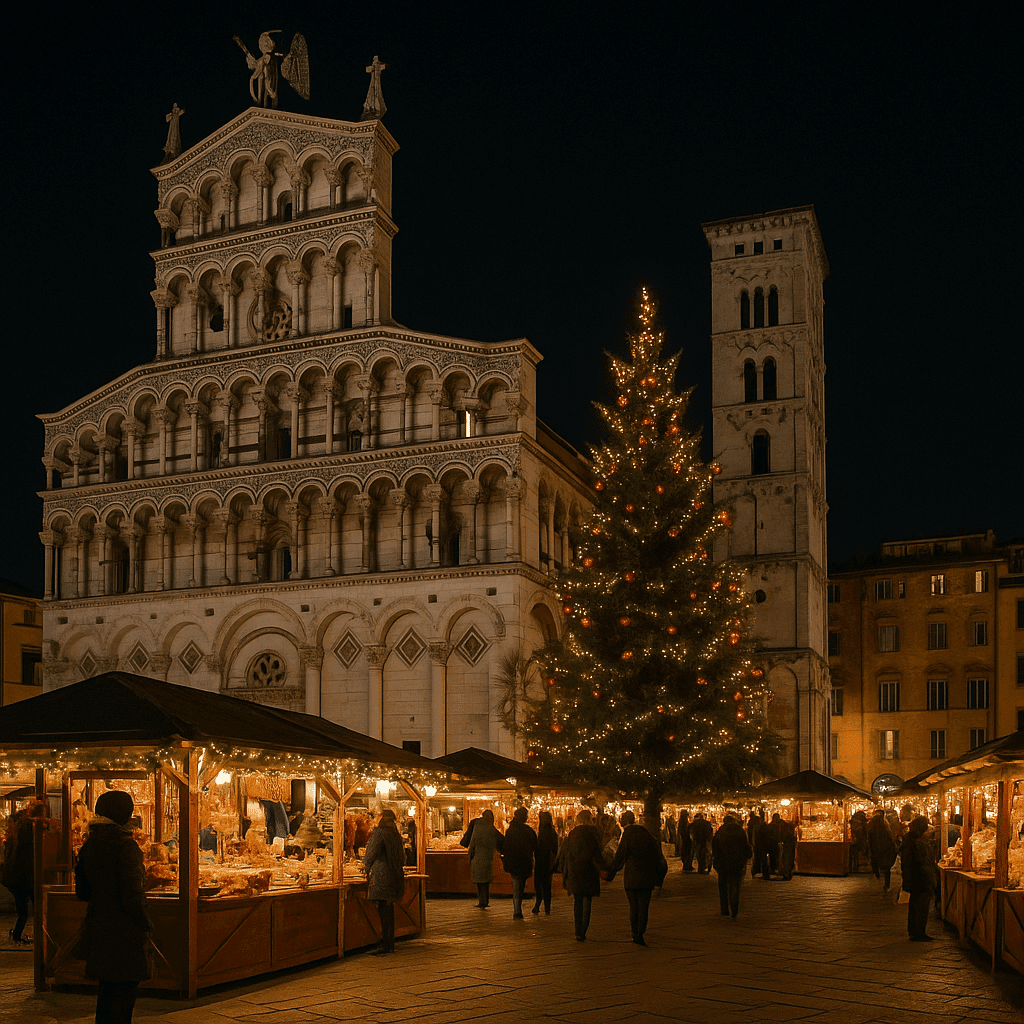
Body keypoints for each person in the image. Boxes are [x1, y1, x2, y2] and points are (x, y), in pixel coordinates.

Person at [74, 791, 153, 1024]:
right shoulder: (126, 847)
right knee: (125, 994)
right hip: (124, 932)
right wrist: (145, 922)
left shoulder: (90, 844)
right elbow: (132, 896)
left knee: (106, 992)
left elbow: (83, 892)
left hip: (99, 926)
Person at [606, 810, 668, 945]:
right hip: (647, 876)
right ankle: (641, 931)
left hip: (632, 877)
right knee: (644, 907)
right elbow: (657, 856)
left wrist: (610, 874)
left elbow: (620, 856)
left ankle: (635, 933)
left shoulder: (628, 835)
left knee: (634, 907)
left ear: (625, 821)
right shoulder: (647, 834)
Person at [555, 809, 607, 941]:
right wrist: (606, 868)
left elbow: (567, 852)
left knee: (577, 902)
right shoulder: (593, 833)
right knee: (587, 901)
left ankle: (577, 930)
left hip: (575, 870)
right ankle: (583, 930)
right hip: (589, 870)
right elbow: (597, 854)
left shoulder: (573, 834)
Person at [363, 808, 407, 955]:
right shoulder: (395, 835)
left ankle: (385, 943)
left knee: (383, 909)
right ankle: (389, 942)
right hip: (395, 874)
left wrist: (366, 866)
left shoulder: (379, 833)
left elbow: (370, 854)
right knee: (389, 909)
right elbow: (402, 857)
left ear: (381, 818)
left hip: (382, 875)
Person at [2, 803, 44, 945]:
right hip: (25, 877)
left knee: (25, 911)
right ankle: (34, 936)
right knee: (36, 909)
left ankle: (18, 935)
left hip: (18, 878)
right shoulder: (29, 830)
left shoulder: (15, 836)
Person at [901, 815, 939, 941]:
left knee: (915, 905)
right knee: (921, 907)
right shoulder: (916, 843)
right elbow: (922, 862)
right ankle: (918, 931)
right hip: (920, 879)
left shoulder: (911, 840)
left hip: (916, 879)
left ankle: (914, 930)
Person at [712, 813, 753, 918]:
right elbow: (746, 846)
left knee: (723, 886)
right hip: (737, 862)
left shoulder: (720, 831)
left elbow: (715, 847)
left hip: (723, 863)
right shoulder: (740, 831)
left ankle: (724, 909)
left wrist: (716, 861)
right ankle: (734, 906)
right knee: (735, 884)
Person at [501, 807, 537, 919]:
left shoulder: (510, 831)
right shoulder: (528, 831)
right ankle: (517, 909)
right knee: (520, 886)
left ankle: (517, 909)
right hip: (524, 862)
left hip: (513, 862)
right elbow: (535, 846)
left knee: (516, 885)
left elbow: (505, 847)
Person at [467, 809, 503, 909]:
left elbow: (473, 842)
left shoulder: (478, 826)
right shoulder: (491, 828)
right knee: (485, 881)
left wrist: (470, 855)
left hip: (478, 857)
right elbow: (498, 840)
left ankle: (482, 901)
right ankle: (485, 900)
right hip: (488, 857)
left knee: (479, 881)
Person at [532, 810, 559, 915]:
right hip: (547, 862)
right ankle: (545, 907)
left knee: (540, 885)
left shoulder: (544, 832)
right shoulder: (551, 832)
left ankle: (539, 905)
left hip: (543, 862)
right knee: (546, 886)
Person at [867, 809, 898, 891]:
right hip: (885, 848)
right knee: (886, 867)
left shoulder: (871, 824)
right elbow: (890, 836)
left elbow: (869, 837)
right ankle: (886, 884)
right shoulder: (885, 824)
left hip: (875, 848)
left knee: (877, 862)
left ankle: (877, 876)